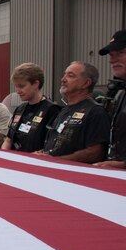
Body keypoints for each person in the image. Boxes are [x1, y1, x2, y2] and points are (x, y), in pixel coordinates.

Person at [39, 61, 109, 163]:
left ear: (86, 83)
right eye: (64, 75)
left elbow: (95, 153)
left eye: (70, 76)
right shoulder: (63, 111)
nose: (63, 79)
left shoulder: (96, 112)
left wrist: (56, 161)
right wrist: (41, 154)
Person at [1, 63, 61, 153]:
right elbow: (8, 140)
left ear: (36, 84)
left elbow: (52, 146)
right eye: (16, 86)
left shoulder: (52, 110)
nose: (18, 91)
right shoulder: (20, 109)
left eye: (22, 86)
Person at [95, 31, 126, 168]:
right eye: (111, 55)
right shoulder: (120, 94)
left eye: (120, 53)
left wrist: (123, 165)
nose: (112, 60)